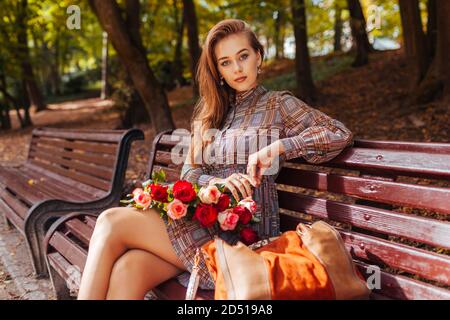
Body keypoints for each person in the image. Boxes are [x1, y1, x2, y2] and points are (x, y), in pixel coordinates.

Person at [77, 18, 353, 300]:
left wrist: (280, 147)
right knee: (129, 268)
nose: (237, 68)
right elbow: (189, 173)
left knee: (111, 222)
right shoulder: (210, 111)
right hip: (201, 222)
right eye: (226, 62)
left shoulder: (278, 105)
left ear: (258, 55)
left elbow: (338, 133)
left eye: (243, 56)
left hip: (243, 237)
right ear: (218, 70)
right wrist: (217, 182)